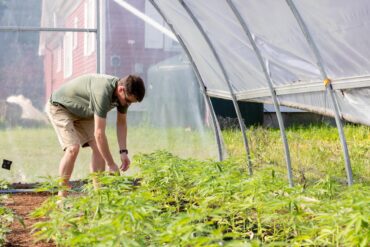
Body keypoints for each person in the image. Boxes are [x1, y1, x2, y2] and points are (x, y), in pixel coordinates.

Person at [46, 74, 145, 197]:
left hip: (83, 112)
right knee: (73, 148)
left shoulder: (123, 97)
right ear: (121, 89)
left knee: (100, 150)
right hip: (61, 107)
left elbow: (121, 123)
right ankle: (61, 196)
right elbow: (99, 133)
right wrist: (111, 164)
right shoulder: (102, 92)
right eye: (128, 100)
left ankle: (98, 195)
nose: (128, 104)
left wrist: (123, 152)